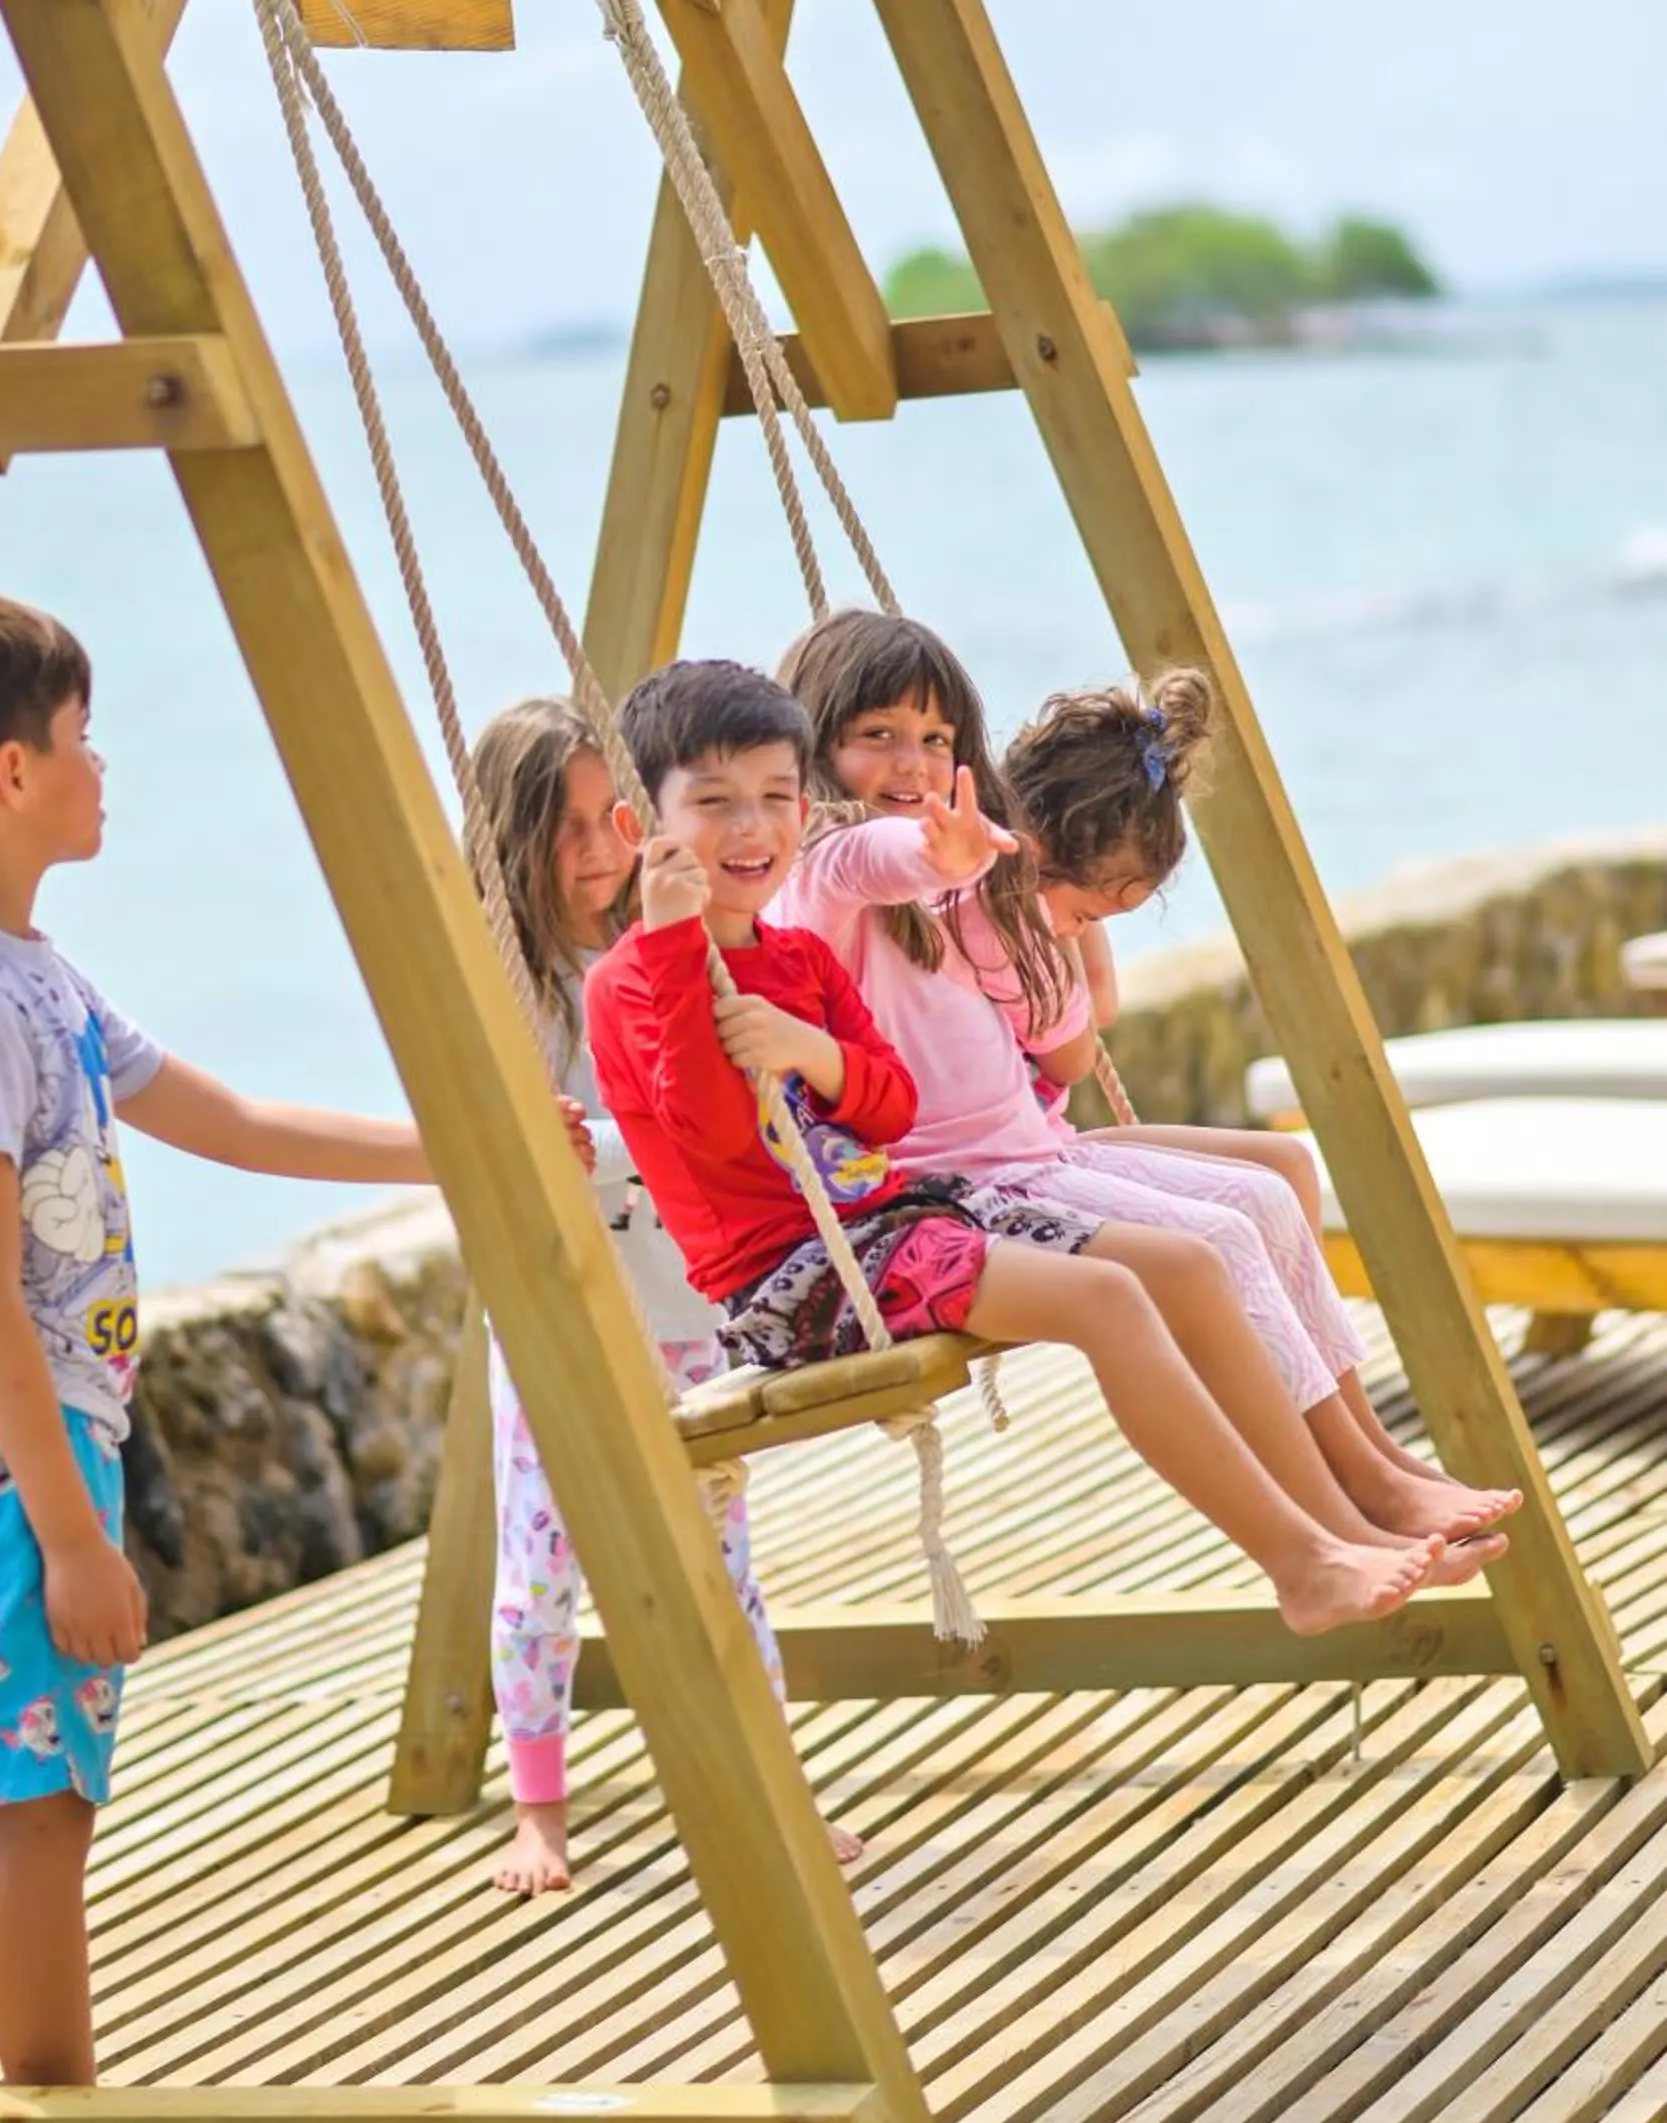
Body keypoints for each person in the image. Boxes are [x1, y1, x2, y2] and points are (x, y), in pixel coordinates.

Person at [0, 589, 532, 2123]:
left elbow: (228, 1112)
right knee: (33, 1821)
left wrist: (457, 1141)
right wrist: (70, 1533)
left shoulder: (28, 973)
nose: (101, 763)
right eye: (78, 738)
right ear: (8, 773)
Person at [584, 657, 1449, 1643]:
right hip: (801, 1277)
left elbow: (886, 1103)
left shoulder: (798, 960)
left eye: (775, 798)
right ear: (636, 827)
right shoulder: (633, 983)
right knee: (1116, 1292)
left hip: (895, 1223)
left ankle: (1332, 1529)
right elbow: (706, 1133)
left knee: (1177, 1256)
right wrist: (666, 944)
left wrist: (814, 1051)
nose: (751, 829)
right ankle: (1304, 1559)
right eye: (714, 803)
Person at [772, 610, 1516, 1565]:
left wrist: (976, 874)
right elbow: (874, 861)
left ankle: (1371, 1469)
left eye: (936, 740)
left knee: (1260, 1195)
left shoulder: (948, 887)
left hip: (1022, 1156)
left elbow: (1062, 1021)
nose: (912, 763)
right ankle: (1339, 1524)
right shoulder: (829, 870)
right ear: (815, 740)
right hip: (945, 1189)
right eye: (878, 736)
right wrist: (947, 855)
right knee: (1217, 1235)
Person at [469, 699, 853, 1896]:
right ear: (508, 842)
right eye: (563, 829)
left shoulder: (663, 952)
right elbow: (479, 1131)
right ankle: (538, 1806)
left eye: (611, 819)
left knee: (719, 1554)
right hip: (562, 1312)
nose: (595, 849)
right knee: (543, 1559)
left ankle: (774, 1784)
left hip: (687, 1300)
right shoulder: (502, 978)